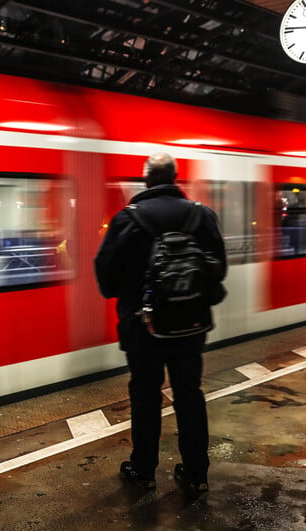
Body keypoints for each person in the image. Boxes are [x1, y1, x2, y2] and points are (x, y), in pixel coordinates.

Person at [94, 153, 227, 492]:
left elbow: (105, 277)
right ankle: (196, 473)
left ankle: (143, 470)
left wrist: (130, 292)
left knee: (145, 395)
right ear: (176, 177)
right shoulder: (202, 216)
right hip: (191, 325)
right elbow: (219, 269)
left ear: (147, 181)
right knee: (189, 394)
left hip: (143, 327)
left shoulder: (126, 220)